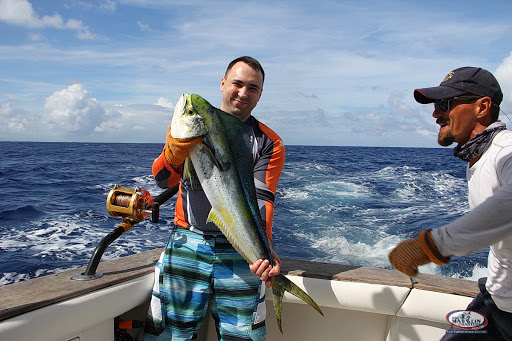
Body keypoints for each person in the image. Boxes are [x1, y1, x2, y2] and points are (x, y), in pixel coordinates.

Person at [144, 56, 285, 341]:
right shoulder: (189, 126)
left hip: (239, 252)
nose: (243, 93)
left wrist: (265, 252)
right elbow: (162, 180)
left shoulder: (269, 142)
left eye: (253, 88)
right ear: (222, 83)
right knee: (168, 336)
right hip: (187, 241)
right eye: (237, 83)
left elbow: (261, 199)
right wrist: (175, 151)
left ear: (260, 94)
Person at [388, 66, 512, 340]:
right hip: (495, 298)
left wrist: (431, 246)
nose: (435, 114)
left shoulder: (506, 152)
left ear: (482, 107)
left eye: (445, 104)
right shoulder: (481, 156)